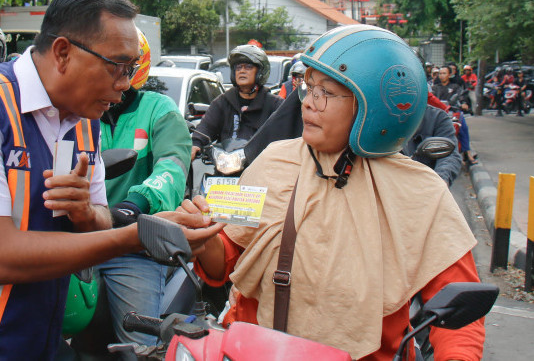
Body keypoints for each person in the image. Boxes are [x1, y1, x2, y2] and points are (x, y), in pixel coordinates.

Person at [0, 0, 222, 360]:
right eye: (117, 67)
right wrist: (137, 237)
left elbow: (100, 220)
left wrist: (87, 214)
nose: (124, 85)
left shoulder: (85, 122)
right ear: (63, 52)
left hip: (30, 340)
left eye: (131, 69)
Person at [180, 25, 485, 360]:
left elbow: (457, 315)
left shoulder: (420, 193)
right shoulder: (274, 161)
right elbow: (227, 258)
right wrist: (202, 237)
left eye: (325, 92)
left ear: (375, 105)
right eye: (308, 88)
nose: (308, 104)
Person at [95, 29, 192, 348]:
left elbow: (173, 166)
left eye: (123, 65)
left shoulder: (159, 109)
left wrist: (136, 203)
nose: (116, 74)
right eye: (110, 63)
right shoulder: (79, 109)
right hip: (78, 238)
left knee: (139, 345)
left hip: (133, 244)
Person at [191, 45, 282, 160]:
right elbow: (207, 127)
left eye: (248, 67)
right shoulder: (223, 102)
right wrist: (196, 143)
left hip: (261, 166)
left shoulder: (275, 104)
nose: (242, 71)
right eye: (238, 67)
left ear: (260, 72)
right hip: (225, 164)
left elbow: (285, 133)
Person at [403, 99, 463, 187]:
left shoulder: (437, 117)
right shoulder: (377, 118)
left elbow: (449, 155)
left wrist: (441, 179)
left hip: (423, 187)